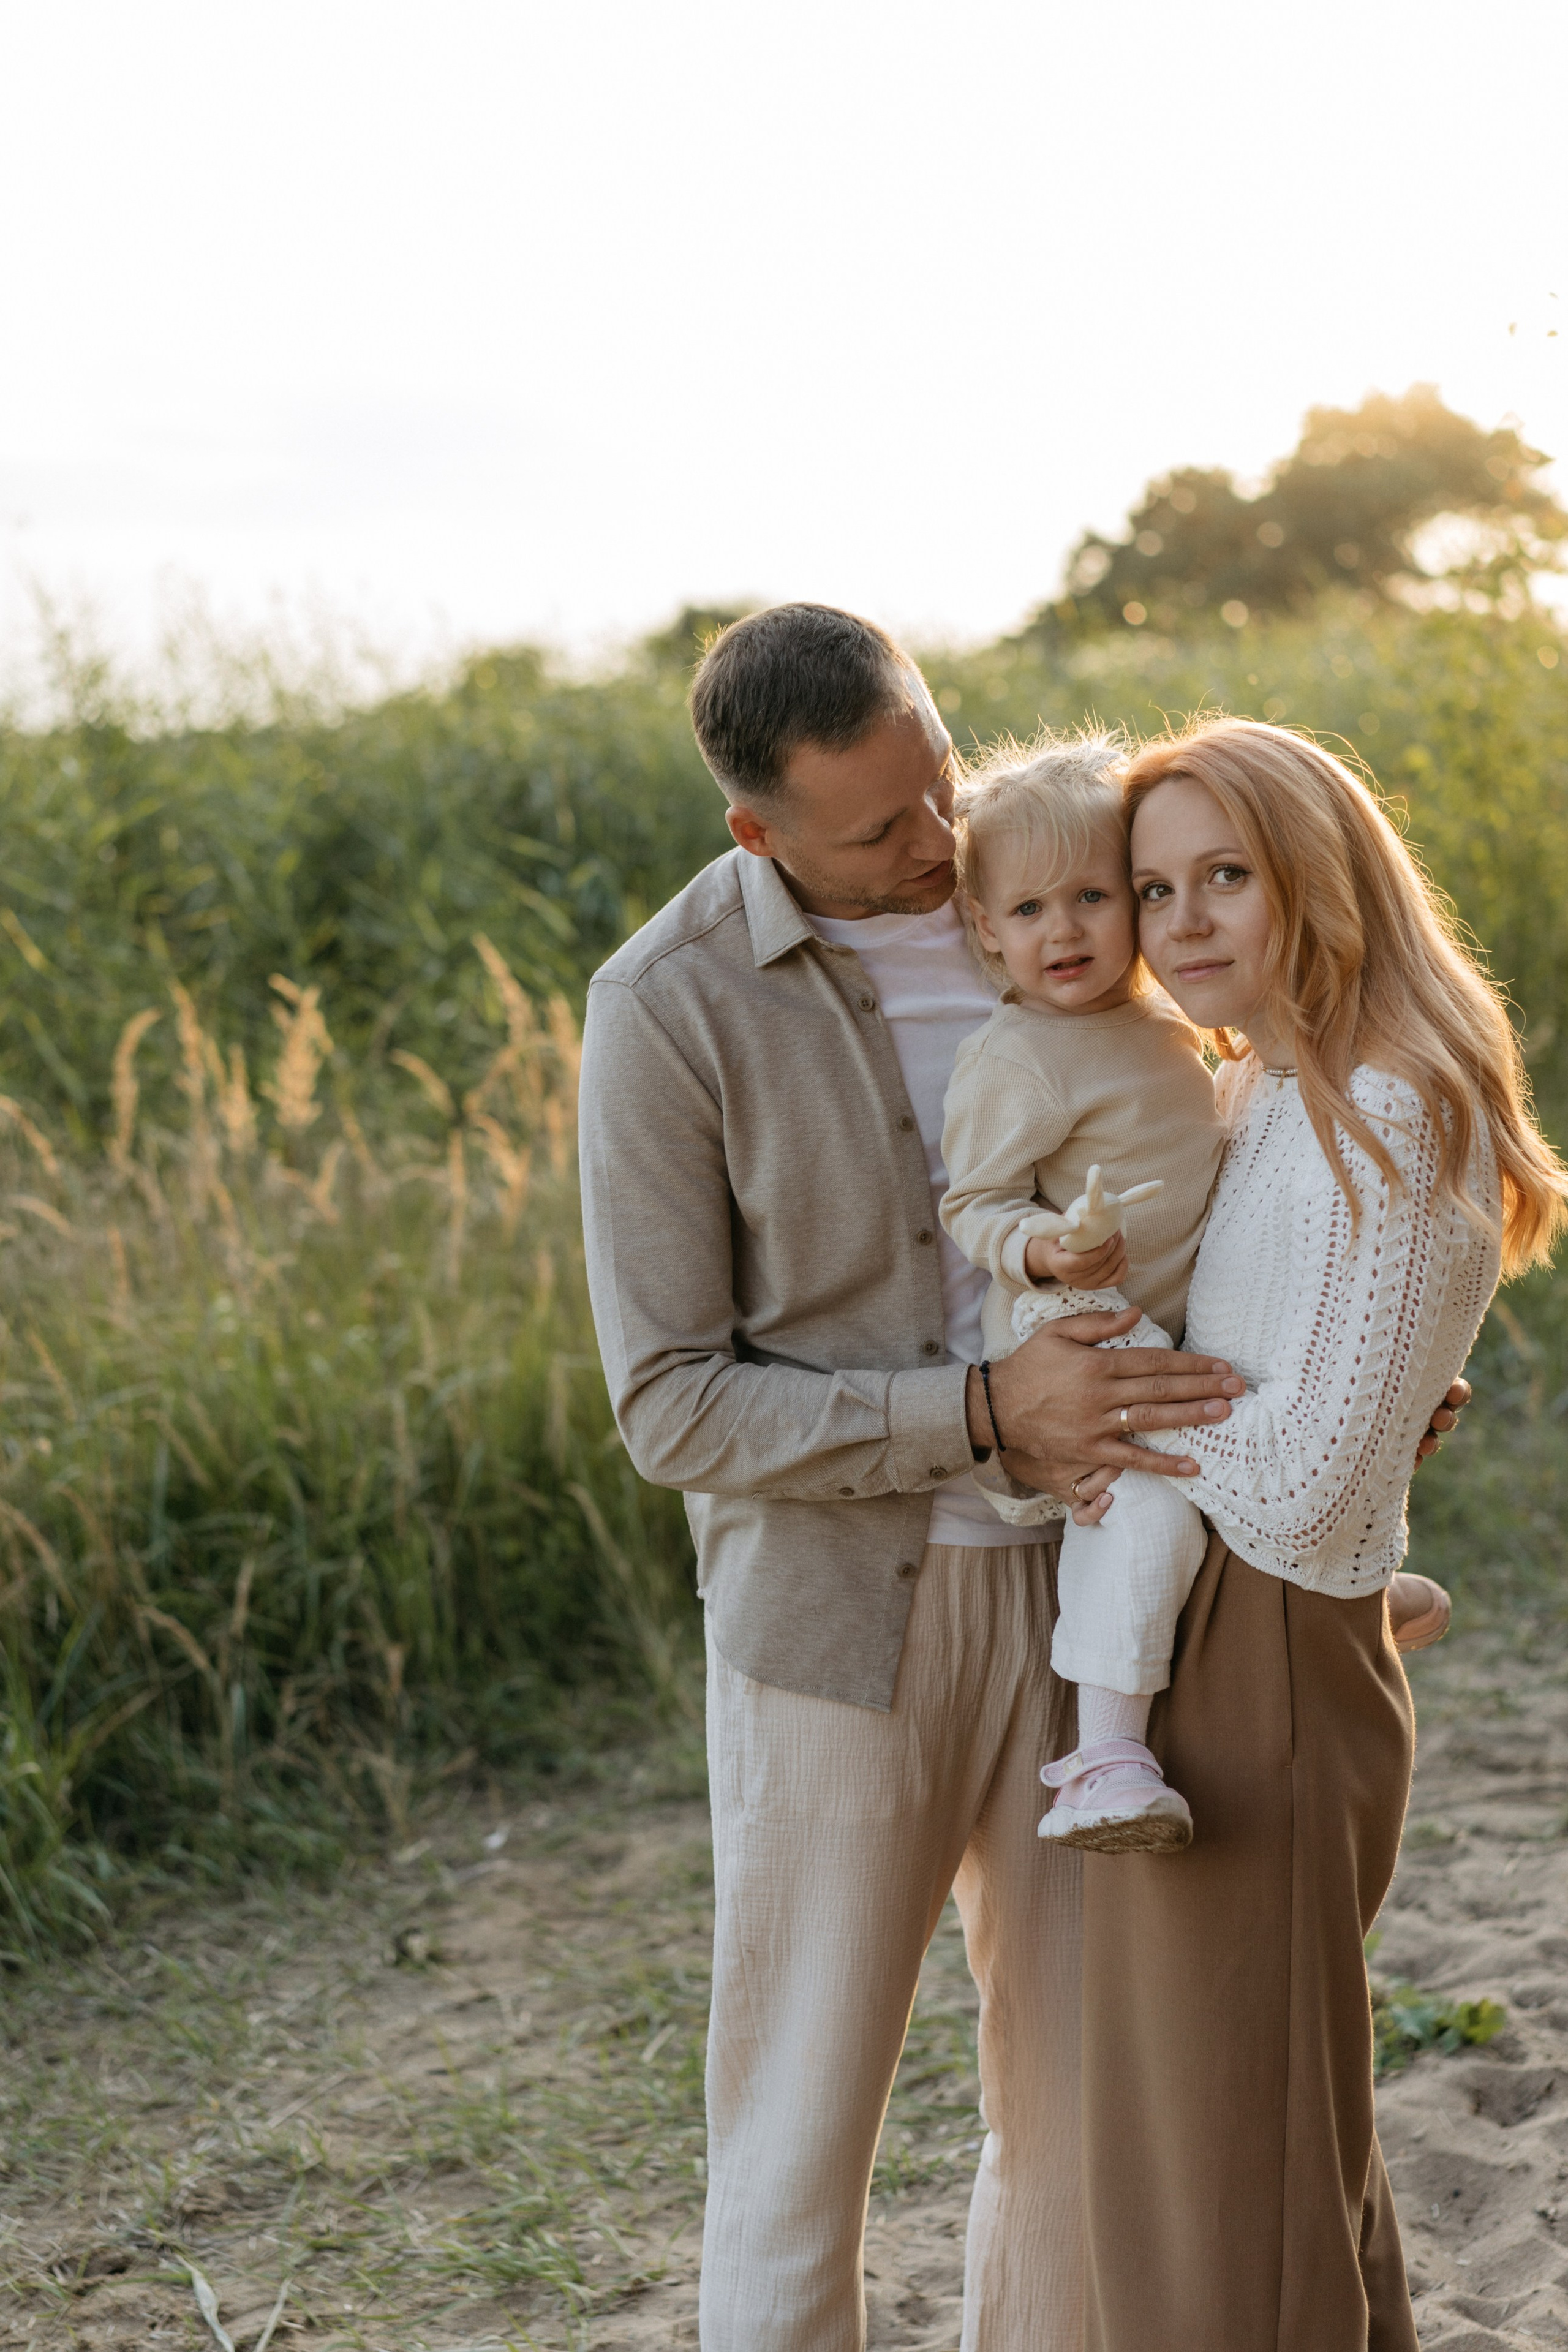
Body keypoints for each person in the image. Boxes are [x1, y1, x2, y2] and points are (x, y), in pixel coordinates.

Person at [576, 604, 1248, 2352]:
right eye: (877, 830)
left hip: (1094, 1586)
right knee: (797, 2138)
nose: (935, 845)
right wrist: (979, 1415)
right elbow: (669, 1406)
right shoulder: (666, 1008)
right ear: (759, 832)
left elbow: (1220, 1147)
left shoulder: (1056, 901)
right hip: (837, 1627)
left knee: (1076, 2118)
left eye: (936, 781)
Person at [1068, 718, 1568, 2351]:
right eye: (1153, 889)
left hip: (1273, 1655)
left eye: (1231, 875)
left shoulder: (1398, 1107)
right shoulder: (1263, 1091)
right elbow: (1291, 1401)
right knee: (1257, 2151)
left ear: (1323, 879)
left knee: (1249, 2155)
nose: (1185, 921)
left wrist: (1105, 1408)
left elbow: (1299, 1482)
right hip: (1223, 1627)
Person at [938, 733, 1223, 1850]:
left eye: (1094, 897)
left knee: (1247, 1410)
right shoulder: (1017, 1058)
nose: (1064, 932)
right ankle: (1103, 1756)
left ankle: (1323, 1598)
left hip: (1173, 1309)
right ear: (984, 929)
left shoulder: (1163, 1021)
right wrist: (1047, 1251)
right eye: (1028, 910)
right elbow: (975, 1206)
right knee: (1145, 1500)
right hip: (1076, 1322)